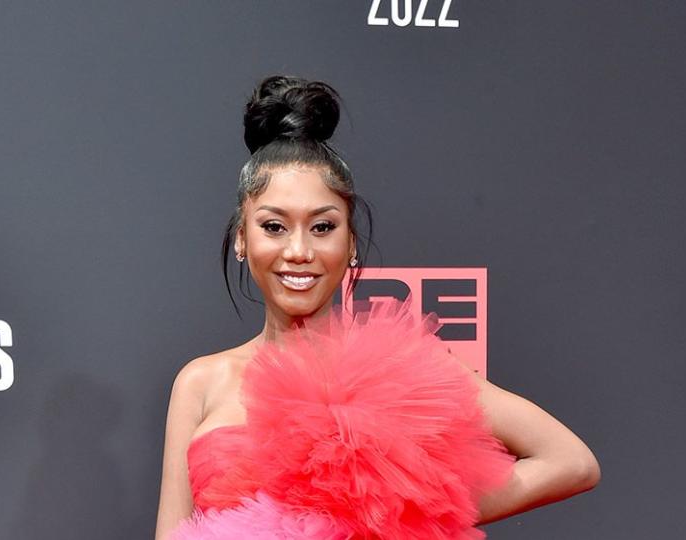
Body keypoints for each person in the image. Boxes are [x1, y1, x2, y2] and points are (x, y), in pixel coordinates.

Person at [154, 75, 600, 540]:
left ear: (351, 243)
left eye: (323, 227)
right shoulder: (200, 383)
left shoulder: (400, 370)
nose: (299, 250)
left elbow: (571, 461)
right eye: (274, 226)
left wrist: (413, 513)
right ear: (243, 239)